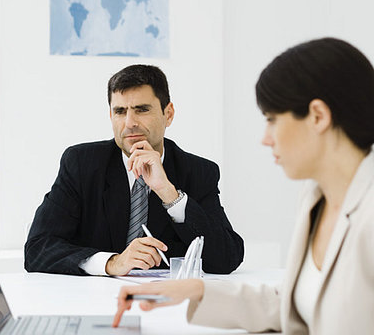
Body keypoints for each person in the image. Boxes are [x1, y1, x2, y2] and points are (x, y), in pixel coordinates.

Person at [113, 38, 374, 334]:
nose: (266, 138)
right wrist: (194, 291)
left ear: (318, 116)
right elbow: (294, 305)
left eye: (272, 120)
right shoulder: (317, 199)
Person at [25, 64, 244, 276]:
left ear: (168, 114)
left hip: (164, 303)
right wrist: (112, 262)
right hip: (94, 298)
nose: (130, 123)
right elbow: (37, 249)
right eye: (120, 111)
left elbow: (226, 258)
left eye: (142, 110)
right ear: (111, 116)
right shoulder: (82, 164)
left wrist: (169, 194)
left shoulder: (198, 172)